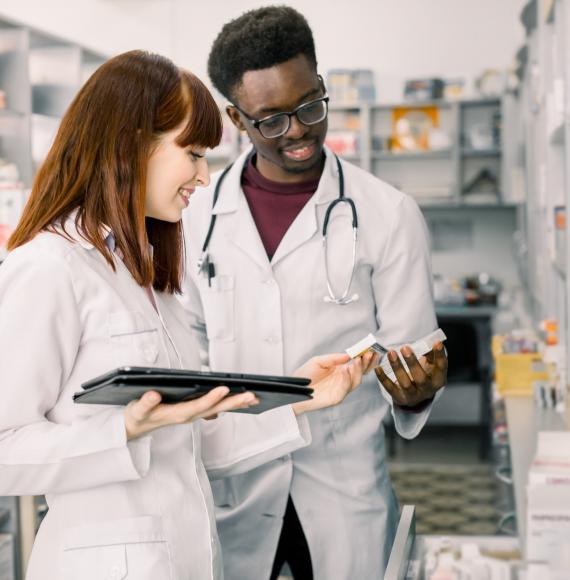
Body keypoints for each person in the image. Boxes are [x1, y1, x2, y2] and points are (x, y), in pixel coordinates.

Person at [0, 50, 374, 580]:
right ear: (131, 146)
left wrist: (298, 397)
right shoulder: (48, 267)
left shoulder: (143, 273)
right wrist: (123, 431)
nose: (203, 177)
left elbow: (187, 437)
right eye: (194, 154)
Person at [180, 6, 449, 580]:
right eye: (271, 120)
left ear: (322, 87)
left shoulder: (389, 214)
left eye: (309, 106)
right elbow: (188, 357)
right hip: (235, 488)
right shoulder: (195, 216)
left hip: (343, 490)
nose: (298, 130)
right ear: (236, 118)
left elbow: (411, 361)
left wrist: (415, 393)